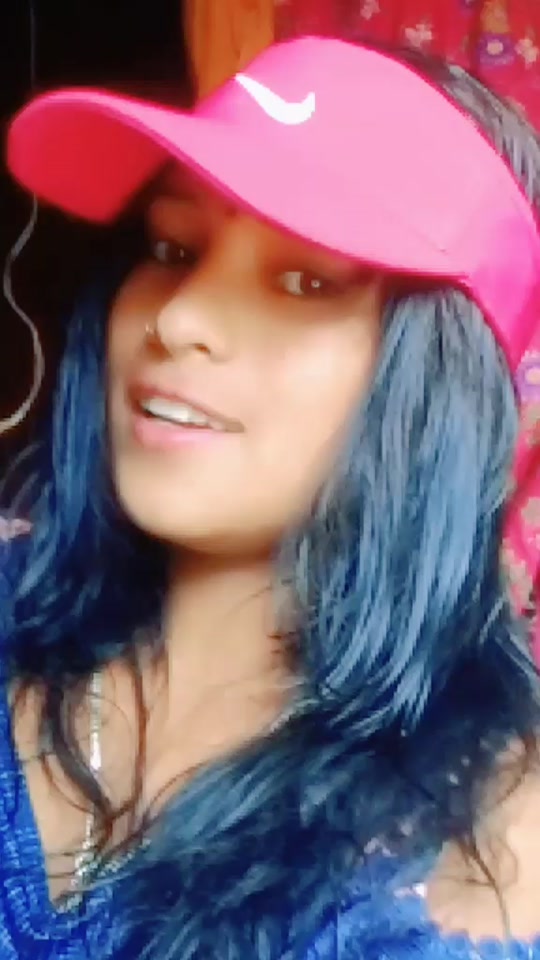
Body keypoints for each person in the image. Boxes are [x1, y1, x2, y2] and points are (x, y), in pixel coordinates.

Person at [2, 33, 540, 960]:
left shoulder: (493, 846)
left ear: (440, 383)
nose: (179, 318)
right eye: (171, 248)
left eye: (303, 279)